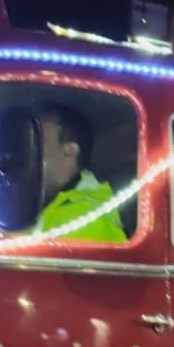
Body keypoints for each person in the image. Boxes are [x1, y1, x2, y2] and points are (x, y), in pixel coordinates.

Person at [31, 104, 126, 243]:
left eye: (38, 143)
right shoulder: (34, 206)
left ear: (69, 152)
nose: (29, 153)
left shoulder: (89, 219)